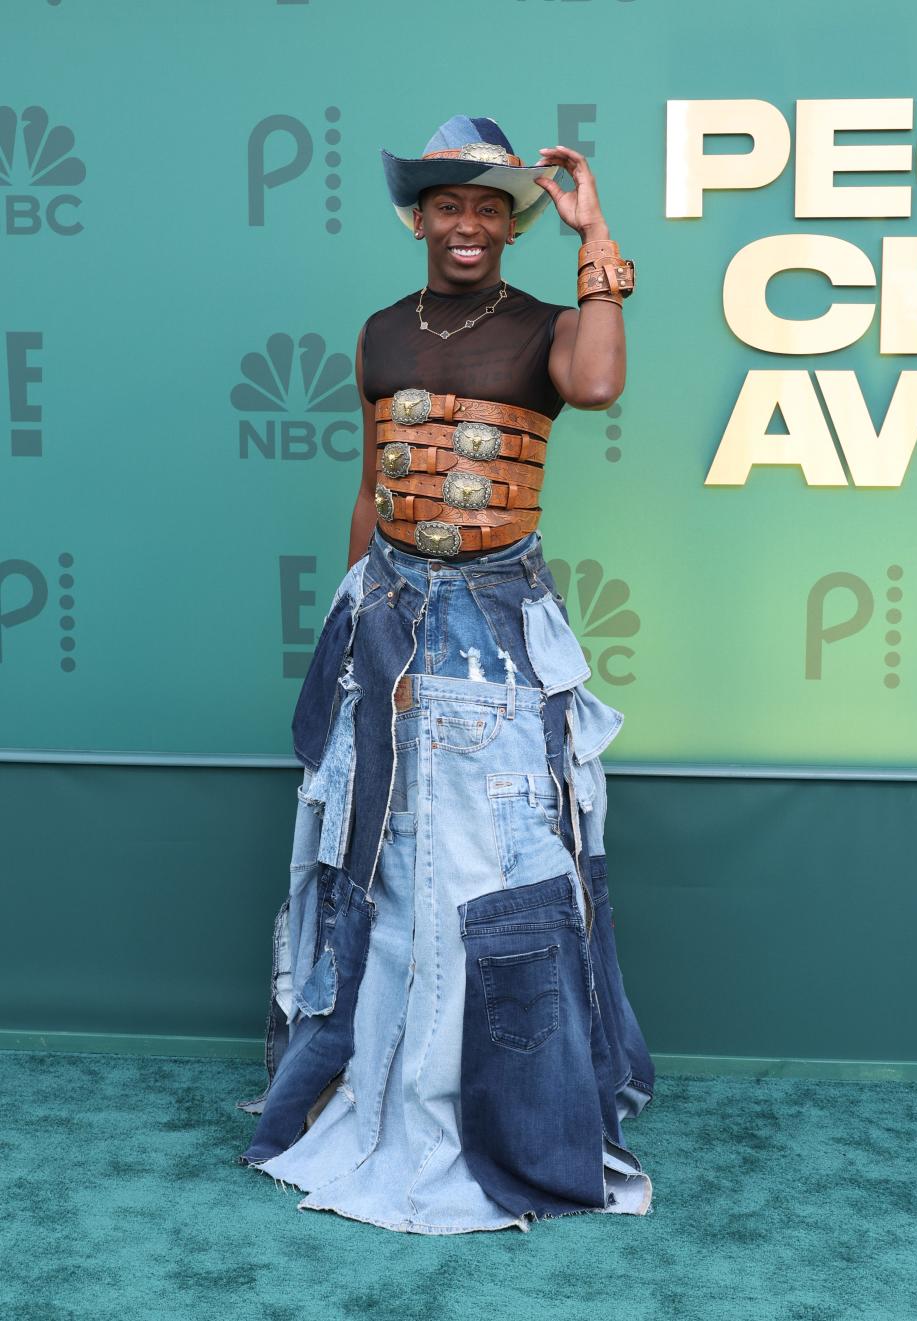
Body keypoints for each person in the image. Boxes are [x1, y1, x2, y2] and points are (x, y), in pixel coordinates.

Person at [236, 115, 655, 1234]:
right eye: (446, 204)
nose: (467, 224)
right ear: (416, 217)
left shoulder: (548, 327)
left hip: (495, 627)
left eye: (488, 206)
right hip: (388, 616)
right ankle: (368, 1087)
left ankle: (497, 1108)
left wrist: (595, 235)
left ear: (510, 224)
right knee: (378, 857)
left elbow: (603, 387)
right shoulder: (378, 333)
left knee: (489, 865)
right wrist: (354, 627)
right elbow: (373, 485)